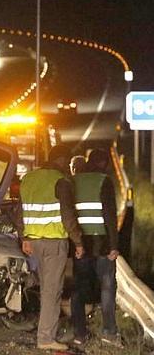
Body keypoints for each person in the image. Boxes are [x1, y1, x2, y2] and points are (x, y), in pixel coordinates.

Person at [18, 144, 85, 351]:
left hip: (34, 243)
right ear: (62, 160)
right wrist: (78, 241)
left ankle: (44, 331)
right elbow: (67, 215)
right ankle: (46, 337)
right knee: (52, 291)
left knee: (46, 288)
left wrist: (24, 238)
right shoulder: (61, 181)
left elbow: (19, 211)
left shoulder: (28, 179)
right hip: (54, 242)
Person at [70, 148, 122, 348]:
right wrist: (114, 246)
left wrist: (75, 242)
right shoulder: (104, 181)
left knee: (79, 289)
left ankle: (80, 334)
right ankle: (109, 332)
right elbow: (110, 215)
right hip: (102, 244)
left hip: (81, 244)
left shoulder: (74, 181)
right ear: (105, 164)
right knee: (107, 287)